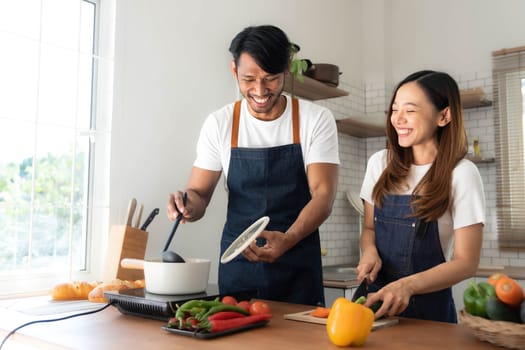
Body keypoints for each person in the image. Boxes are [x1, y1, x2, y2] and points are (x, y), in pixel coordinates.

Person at [166, 25, 339, 306]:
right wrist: (185, 204)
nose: (259, 90)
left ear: (286, 70)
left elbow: (324, 196)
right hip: (239, 267)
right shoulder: (220, 123)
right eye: (248, 79)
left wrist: (289, 238)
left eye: (270, 78)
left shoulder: (315, 119)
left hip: (297, 262)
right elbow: (199, 196)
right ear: (234, 71)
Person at [357, 70, 485, 323]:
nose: (398, 119)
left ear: (444, 116)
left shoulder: (461, 174)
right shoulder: (379, 164)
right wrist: (369, 251)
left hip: (430, 315)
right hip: (375, 307)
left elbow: (466, 262)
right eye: (394, 109)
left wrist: (408, 286)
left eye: (410, 110)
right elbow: (370, 228)